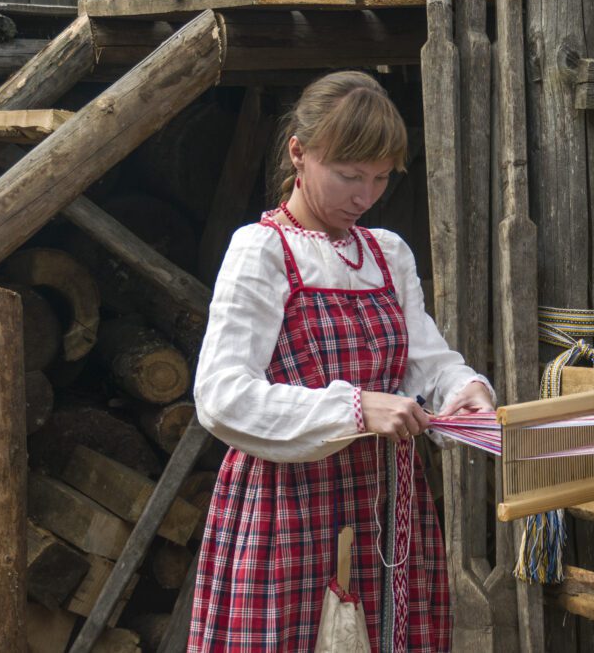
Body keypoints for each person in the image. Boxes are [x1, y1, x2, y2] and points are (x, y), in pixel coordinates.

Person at [188, 70, 494, 652]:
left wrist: (462, 389)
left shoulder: (389, 254)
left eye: (380, 179)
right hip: (286, 510)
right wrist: (353, 409)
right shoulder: (262, 251)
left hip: (385, 510)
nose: (365, 196)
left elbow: (424, 360)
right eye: (349, 176)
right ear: (298, 153)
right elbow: (221, 395)